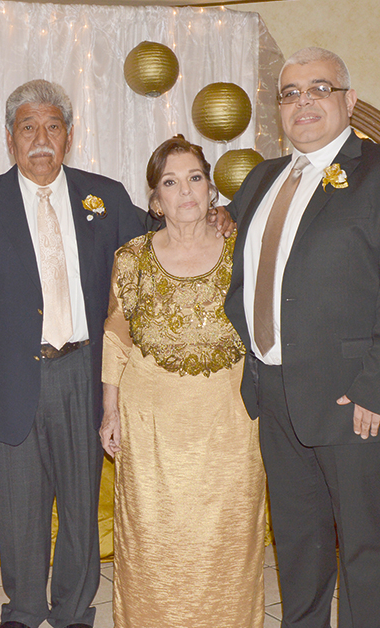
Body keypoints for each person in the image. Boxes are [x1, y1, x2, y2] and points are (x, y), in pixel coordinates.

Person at [224, 47, 380, 628]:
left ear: (349, 101)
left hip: (355, 400)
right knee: (298, 544)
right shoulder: (261, 180)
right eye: (290, 93)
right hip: (274, 395)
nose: (303, 102)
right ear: (278, 111)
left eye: (318, 88)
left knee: (366, 549)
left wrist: (378, 388)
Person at [0, 79, 150, 628]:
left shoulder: (103, 197)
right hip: (7, 377)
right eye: (28, 128)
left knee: (81, 502)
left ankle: (75, 608)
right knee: (17, 506)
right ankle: (25, 607)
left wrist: (215, 216)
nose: (41, 139)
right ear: (10, 138)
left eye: (52, 127)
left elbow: (153, 250)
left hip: (84, 371)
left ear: (69, 136)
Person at [99, 135, 266, 628]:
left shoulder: (244, 253)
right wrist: (110, 411)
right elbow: (116, 339)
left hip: (229, 425)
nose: (185, 191)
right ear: (155, 200)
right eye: (170, 182)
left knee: (228, 543)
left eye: (195, 178)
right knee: (155, 544)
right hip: (151, 427)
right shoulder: (130, 257)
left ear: (212, 190)